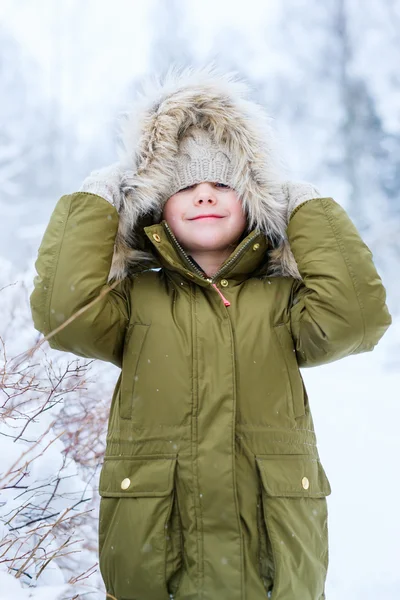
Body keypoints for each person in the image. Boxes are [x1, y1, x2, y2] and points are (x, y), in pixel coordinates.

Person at [30, 65, 392, 600]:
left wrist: (303, 205)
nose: (205, 196)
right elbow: (66, 312)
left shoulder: (280, 300)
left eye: (223, 184)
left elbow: (355, 319)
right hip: (157, 551)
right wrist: (101, 196)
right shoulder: (136, 300)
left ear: (252, 199)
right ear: (157, 206)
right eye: (186, 187)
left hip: (271, 555)